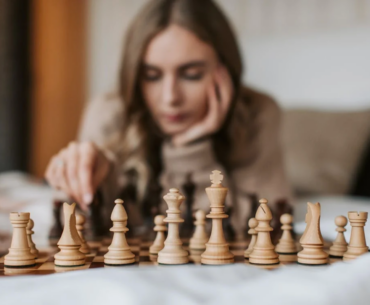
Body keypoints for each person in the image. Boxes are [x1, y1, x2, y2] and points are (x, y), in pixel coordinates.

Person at [45, 0, 292, 238]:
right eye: (152, 76)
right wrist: (91, 179)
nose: (170, 97)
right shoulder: (108, 112)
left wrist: (191, 148)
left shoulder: (258, 112)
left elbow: (260, 226)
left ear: (226, 69)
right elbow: (82, 223)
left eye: (191, 75)